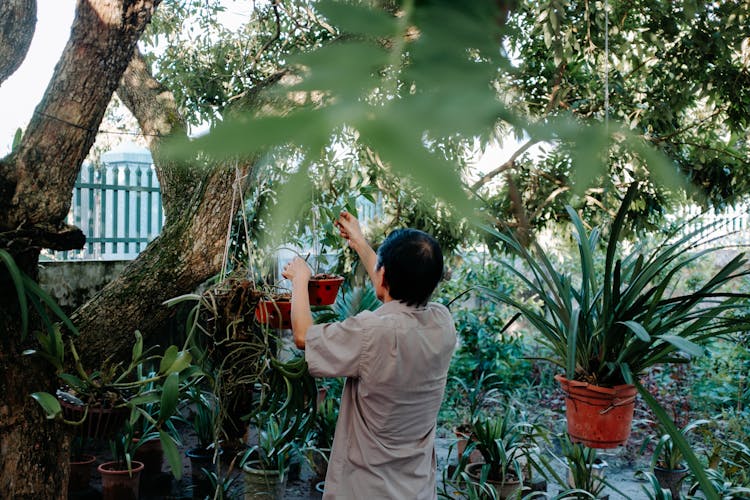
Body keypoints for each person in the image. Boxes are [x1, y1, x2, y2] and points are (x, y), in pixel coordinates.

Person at [282, 211, 456, 499]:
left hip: (367, 486)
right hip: (417, 487)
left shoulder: (371, 332)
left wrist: (300, 280)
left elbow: (303, 337)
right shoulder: (443, 322)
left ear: (384, 274)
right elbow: (398, 292)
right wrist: (360, 243)